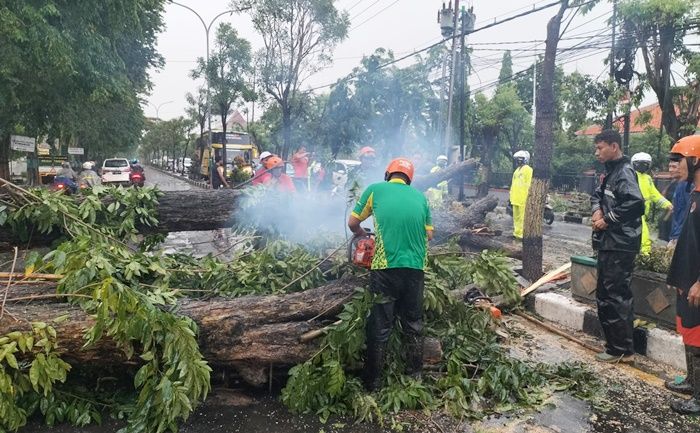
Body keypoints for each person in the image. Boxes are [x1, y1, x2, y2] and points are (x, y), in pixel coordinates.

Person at [347, 158, 433, 391]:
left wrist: (363, 233)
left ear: (388, 174)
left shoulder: (375, 190)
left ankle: (372, 383)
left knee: (380, 326)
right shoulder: (422, 198)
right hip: (415, 268)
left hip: (385, 267)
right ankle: (414, 376)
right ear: (409, 178)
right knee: (413, 323)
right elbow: (429, 236)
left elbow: (352, 222)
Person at [590, 129, 645, 363]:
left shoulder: (624, 172)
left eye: (600, 148)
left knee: (616, 295)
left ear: (614, 146)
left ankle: (622, 349)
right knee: (605, 293)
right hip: (609, 242)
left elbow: (635, 203)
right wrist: (596, 210)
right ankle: (614, 344)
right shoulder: (609, 172)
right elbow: (596, 195)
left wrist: (607, 220)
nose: (597, 153)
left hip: (621, 243)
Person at [666, 135, 700, 415]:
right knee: (687, 332)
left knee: (698, 336)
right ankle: (691, 381)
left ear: (696, 161)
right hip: (685, 280)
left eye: (681, 159)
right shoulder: (692, 194)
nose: (675, 164)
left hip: (697, 284)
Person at [631, 152, 672, 254]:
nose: (643, 166)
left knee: (641, 238)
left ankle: (641, 259)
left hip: (641, 214)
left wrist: (667, 204)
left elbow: (655, 195)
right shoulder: (630, 176)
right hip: (633, 213)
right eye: (640, 164)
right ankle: (644, 259)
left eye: (645, 164)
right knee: (644, 238)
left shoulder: (648, 179)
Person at [669, 155, 695, 247]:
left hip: (680, 235)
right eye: (670, 166)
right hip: (675, 233)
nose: (670, 170)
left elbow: (687, 212)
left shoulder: (687, 186)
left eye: (674, 167)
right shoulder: (679, 184)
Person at [509, 150, 533, 240]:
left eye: (520, 159)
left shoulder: (528, 170)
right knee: (516, 217)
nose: (518, 161)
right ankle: (516, 233)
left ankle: (521, 235)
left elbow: (530, 183)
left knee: (522, 218)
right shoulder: (516, 171)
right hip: (515, 198)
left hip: (524, 198)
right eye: (517, 159)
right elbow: (513, 183)